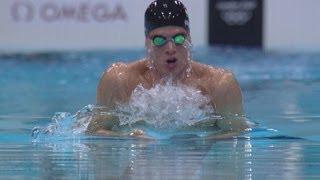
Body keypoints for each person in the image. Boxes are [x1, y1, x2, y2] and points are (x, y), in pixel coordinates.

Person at [86, 0, 249, 139]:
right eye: (159, 40)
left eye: (179, 38)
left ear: (189, 39)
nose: (170, 48)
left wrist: (200, 142)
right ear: (147, 42)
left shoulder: (220, 85)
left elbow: (238, 136)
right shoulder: (119, 81)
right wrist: (127, 138)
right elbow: (95, 132)